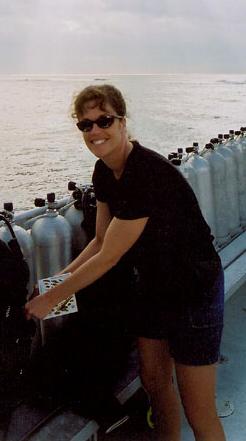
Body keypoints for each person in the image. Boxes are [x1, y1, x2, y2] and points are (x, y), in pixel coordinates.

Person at [25, 84, 226, 441]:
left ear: (122, 122)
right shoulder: (104, 171)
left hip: (193, 291)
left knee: (198, 409)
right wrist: (54, 283)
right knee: (156, 385)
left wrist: (52, 298)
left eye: (104, 120)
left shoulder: (145, 173)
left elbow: (110, 257)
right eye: (86, 124)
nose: (95, 131)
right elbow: (101, 240)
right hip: (151, 287)